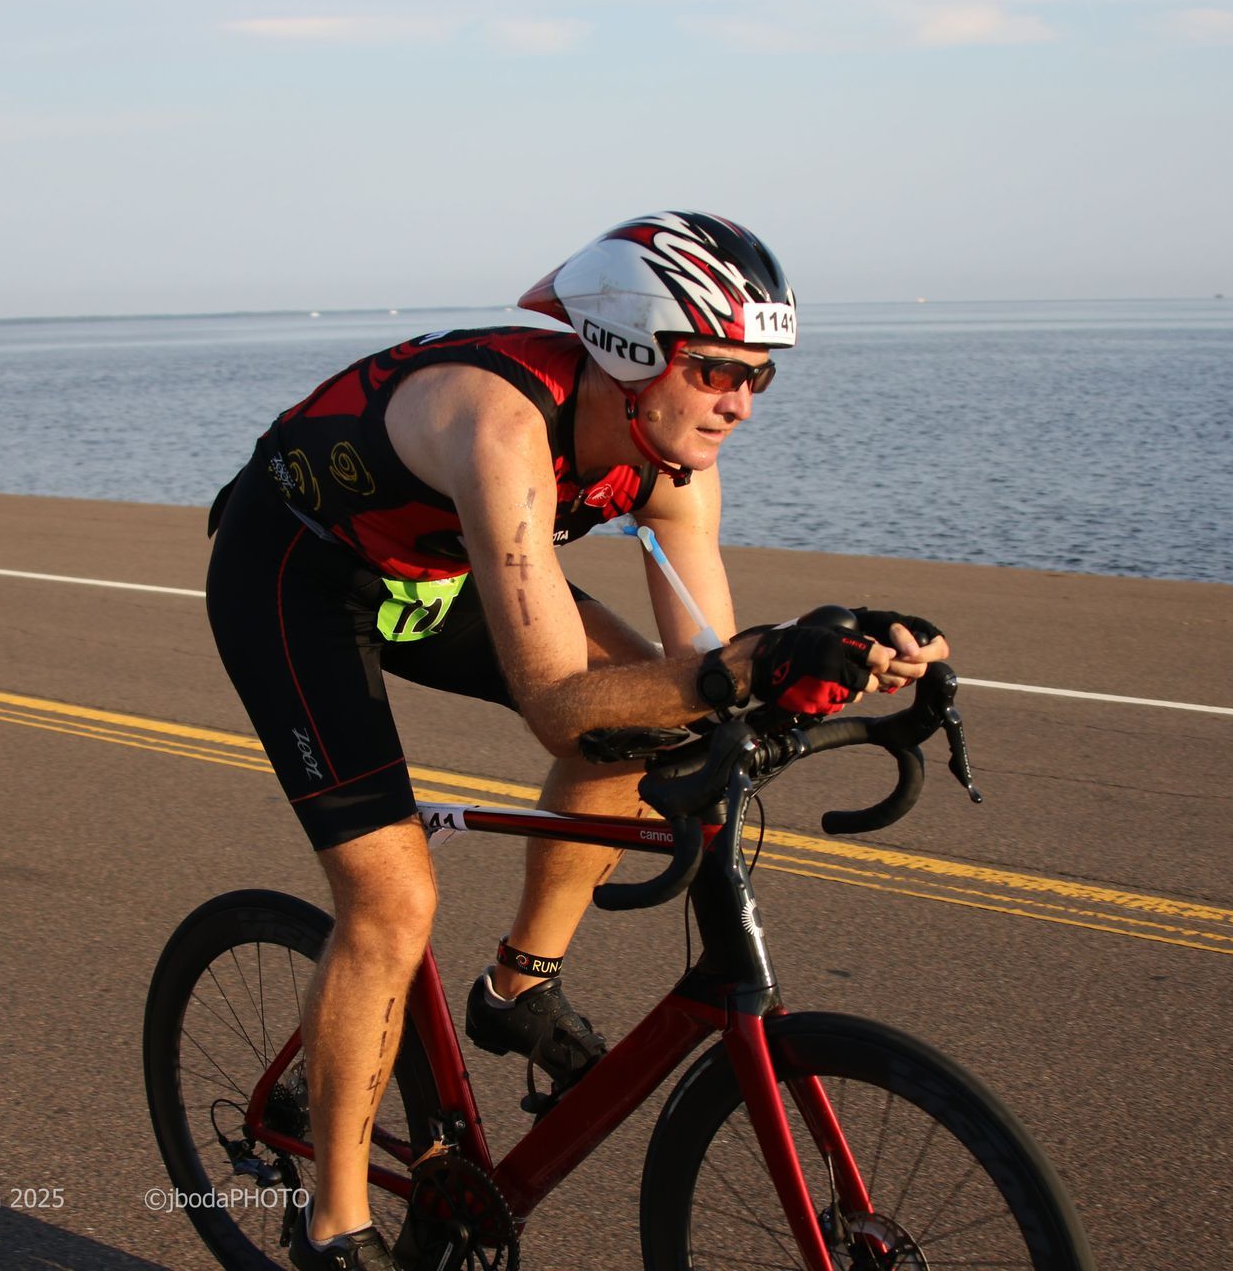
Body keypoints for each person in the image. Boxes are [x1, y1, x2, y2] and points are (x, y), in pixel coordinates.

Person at [204, 210, 948, 1270]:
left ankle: (517, 989)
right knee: (393, 900)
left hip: (439, 574)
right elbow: (559, 704)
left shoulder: (676, 463)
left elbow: (703, 672)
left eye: (759, 377)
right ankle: (334, 1224)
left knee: (656, 725)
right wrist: (750, 665)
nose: (741, 403)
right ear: (632, 349)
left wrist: (838, 658)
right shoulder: (501, 425)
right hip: (300, 578)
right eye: (717, 371)